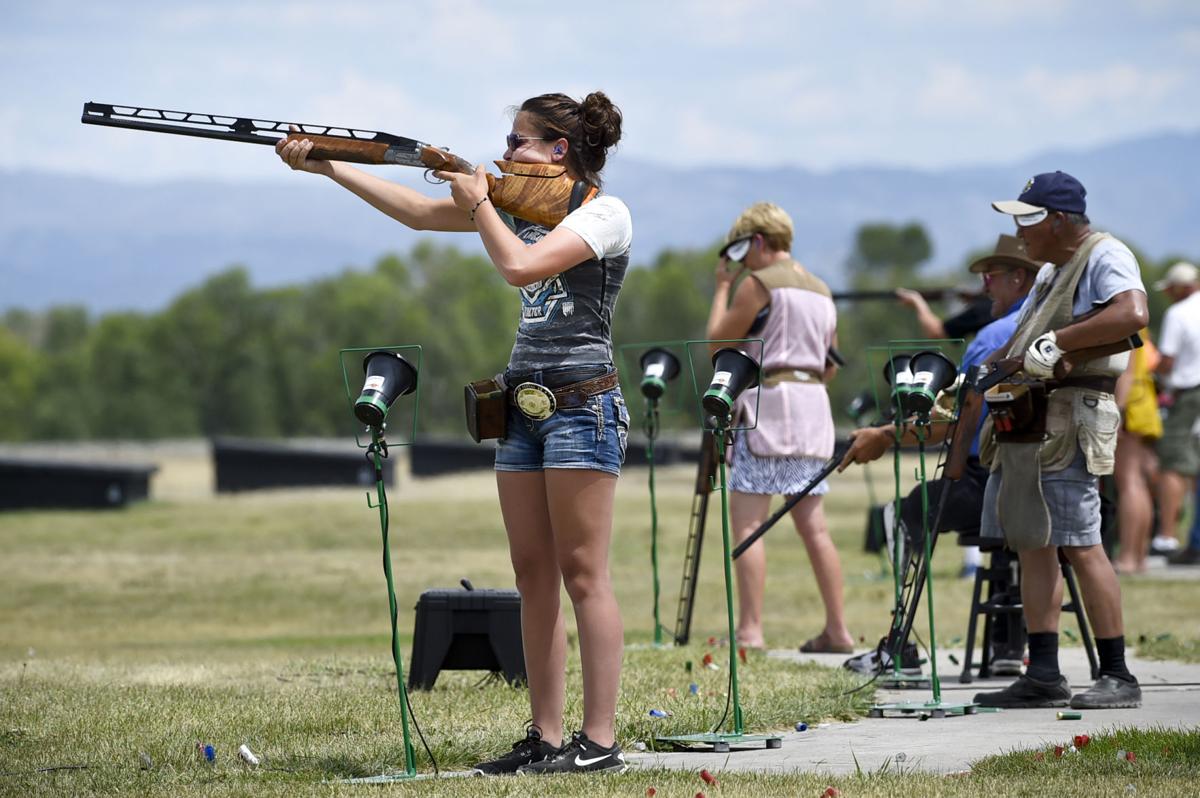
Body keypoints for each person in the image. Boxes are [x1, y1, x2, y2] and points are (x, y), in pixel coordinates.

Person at [277, 92, 632, 775]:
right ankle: (546, 736)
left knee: (584, 573)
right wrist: (328, 165)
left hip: (582, 407)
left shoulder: (603, 212)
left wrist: (478, 201)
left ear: (559, 149)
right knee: (532, 575)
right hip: (521, 407)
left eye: (519, 141)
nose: (505, 151)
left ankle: (600, 741)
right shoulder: (514, 207)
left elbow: (519, 267)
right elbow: (416, 212)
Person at [974, 171, 1146, 710]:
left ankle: (1117, 674)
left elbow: (1133, 314)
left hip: (1071, 415)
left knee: (1080, 543)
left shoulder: (1105, 254)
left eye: (1028, 220)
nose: (1020, 233)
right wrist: (984, 373)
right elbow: (1030, 341)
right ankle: (1043, 674)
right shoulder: (1052, 269)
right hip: (1033, 418)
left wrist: (1060, 343)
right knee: (1034, 543)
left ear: (1057, 220)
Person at [839, 234, 1040, 676]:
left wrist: (886, 434)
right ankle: (1007, 647)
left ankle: (901, 648)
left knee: (903, 513)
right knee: (1006, 538)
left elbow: (956, 420)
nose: (985, 286)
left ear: (1019, 278)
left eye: (991, 276)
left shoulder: (994, 337)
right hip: (1047, 485)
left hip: (991, 484)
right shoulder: (1054, 325)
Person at [705, 202, 853, 653]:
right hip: (813, 411)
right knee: (815, 528)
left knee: (748, 523)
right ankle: (838, 629)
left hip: (767, 407)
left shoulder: (759, 284)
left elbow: (718, 341)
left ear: (758, 241)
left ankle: (750, 630)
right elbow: (830, 364)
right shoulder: (821, 290)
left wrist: (722, 288)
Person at [1149, 262, 1200, 563]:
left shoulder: (1178, 313)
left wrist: (1149, 373)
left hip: (1187, 394)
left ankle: (1166, 536)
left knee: (1173, 464)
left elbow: (1167, 361)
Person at [1111, 328, 1162, 574]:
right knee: (1137, 483)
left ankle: (1128, 557)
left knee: (1128, 482)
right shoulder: (1141, 322)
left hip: (1130, 405)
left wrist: (1118, 411)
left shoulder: (1127, 320)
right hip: (1143, 402)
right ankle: (1138, 556)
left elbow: (1126, 371)